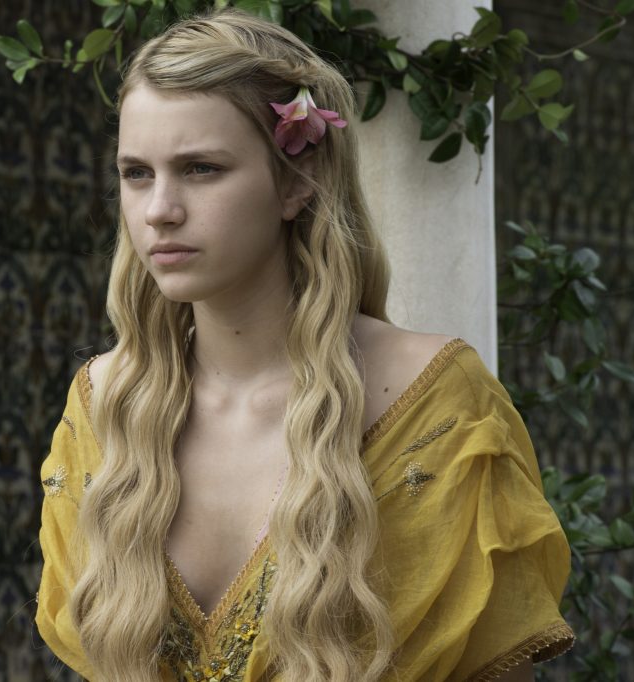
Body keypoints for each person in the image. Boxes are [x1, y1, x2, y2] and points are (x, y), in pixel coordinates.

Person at [34, 8, 574, 681]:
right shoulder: (103, 405)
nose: (159, 210)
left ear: (296, 181)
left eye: (200, 169)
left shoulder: (434, 405)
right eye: (136, 173)